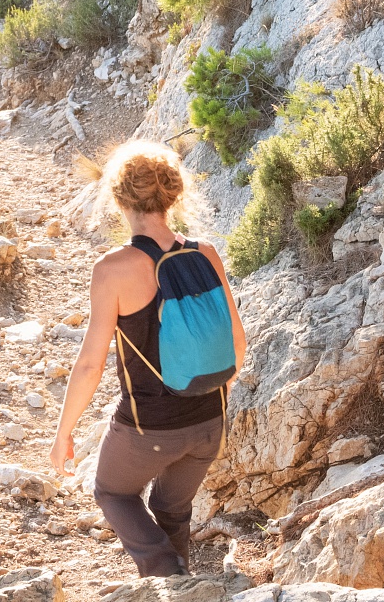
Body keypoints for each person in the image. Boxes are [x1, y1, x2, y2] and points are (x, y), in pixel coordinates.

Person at [50, 141, 246, 578]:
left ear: (119, 199)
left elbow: (89, 365)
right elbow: (237, 341)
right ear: (173, 195)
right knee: (170, 509)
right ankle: (180, 597)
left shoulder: (113, 268)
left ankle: (166, 576)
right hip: (210, 420)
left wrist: (64, 433)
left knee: (112, 492)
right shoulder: (205, 253)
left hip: (148, 425)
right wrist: (205, 398)